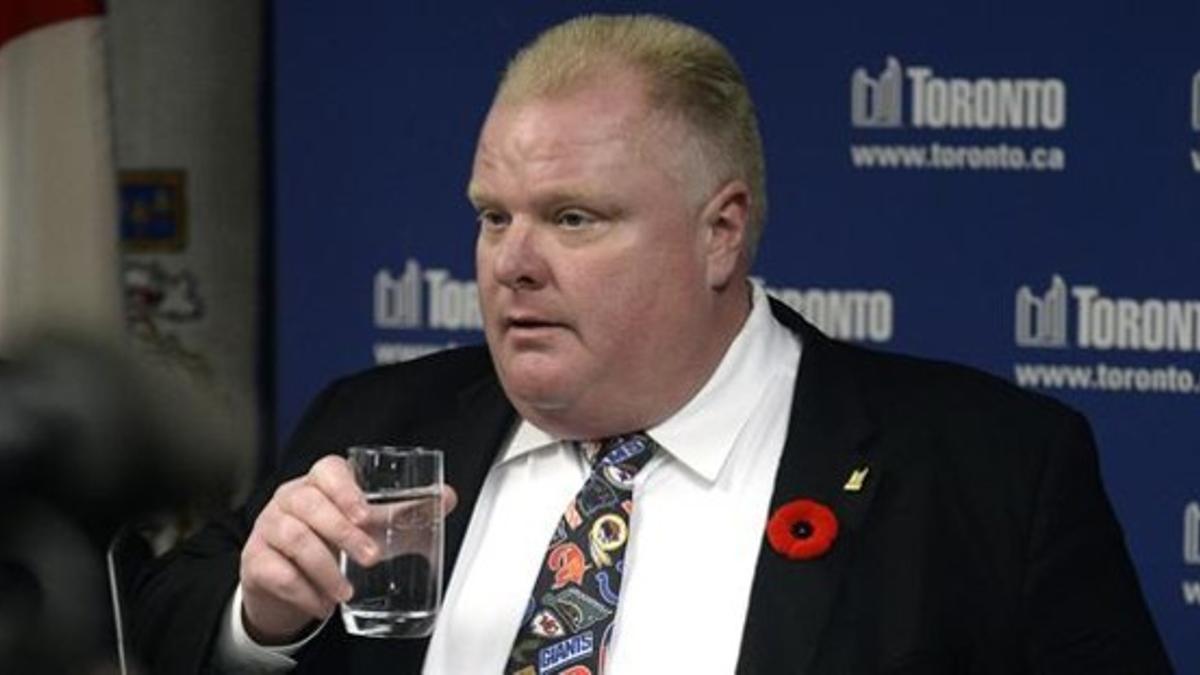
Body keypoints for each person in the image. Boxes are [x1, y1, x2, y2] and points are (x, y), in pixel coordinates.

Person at [130, 13, 1172, 674]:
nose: (511, 262)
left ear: (721, 231)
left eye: (573, 218)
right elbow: (174, 627)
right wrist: (259, 624)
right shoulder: (377, 424)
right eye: (494, 216)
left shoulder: (989, 470)